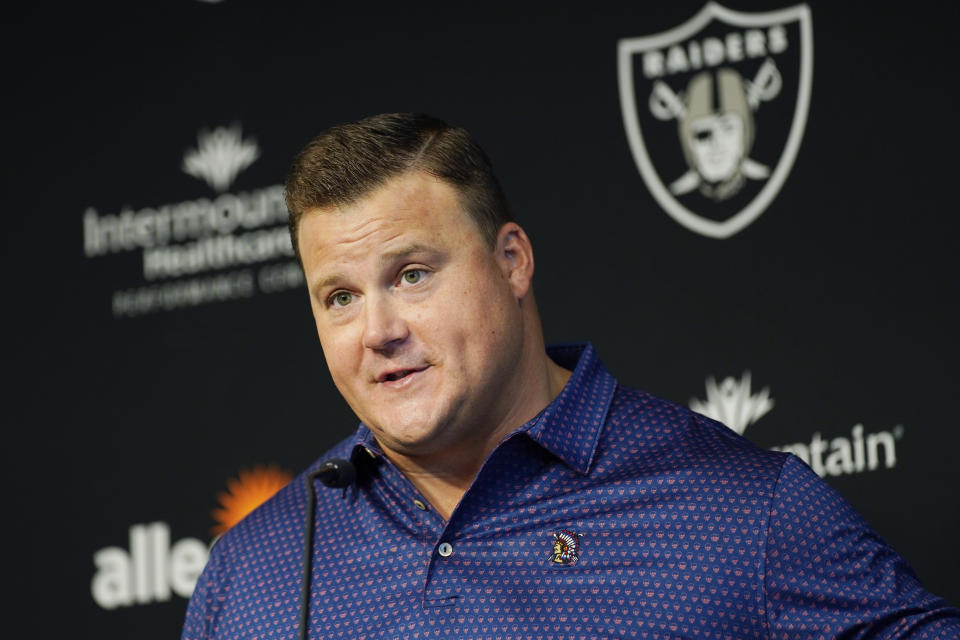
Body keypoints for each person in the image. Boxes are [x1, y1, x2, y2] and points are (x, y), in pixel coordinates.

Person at [182, 113, 959, 639]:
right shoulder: (252, 576)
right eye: (340, 297)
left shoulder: (741, 514)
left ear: (511, 261)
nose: (379, 331)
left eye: (413, 275)